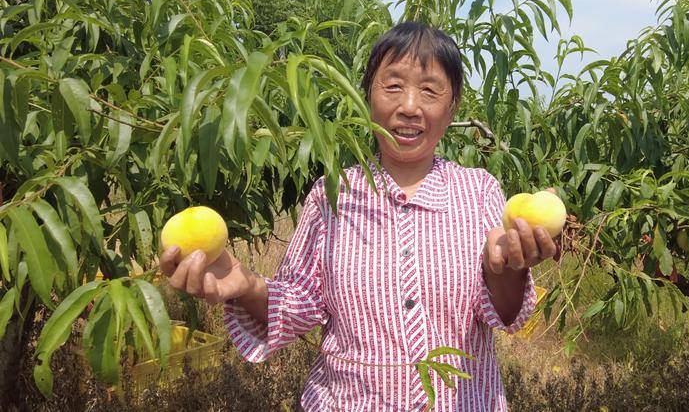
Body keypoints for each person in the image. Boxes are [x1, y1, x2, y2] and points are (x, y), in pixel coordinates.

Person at [159, 21, 562, 411]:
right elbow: (300, 303)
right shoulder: (333, 194)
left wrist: (506, 268)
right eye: (392, 85)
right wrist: (245, 285)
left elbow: (504, 314)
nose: (409, 107)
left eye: (429, 91)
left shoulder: (478, 191)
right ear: (368, 94)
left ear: (453, 104)